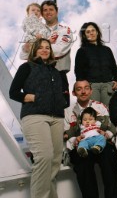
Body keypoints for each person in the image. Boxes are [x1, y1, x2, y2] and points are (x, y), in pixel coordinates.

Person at [9, 38, 68, 198]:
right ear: (34, 50)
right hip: (34, 116)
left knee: (55, 162)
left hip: (57, 117)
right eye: (40, 47)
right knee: (44, 157)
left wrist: (62, 102)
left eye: (47, 48)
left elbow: (65, 94)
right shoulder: (26, 67)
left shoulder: (57, 72)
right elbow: (13, 92)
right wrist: (32, 98)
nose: (44, 50)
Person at [64, 80, 117, 198]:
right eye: (79, 89)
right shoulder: (68, 111)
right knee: (82, 163)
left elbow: (110, 126)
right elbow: (66, 135)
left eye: (86, 88)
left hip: (100, 142)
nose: (83, 91)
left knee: (108, 158)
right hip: (81, 145)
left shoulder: (100, 106)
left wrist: (106, 134)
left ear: (91, 91)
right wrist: (76, 139)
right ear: (74, 93)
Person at [75, 22, 117, 106]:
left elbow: (114, 67)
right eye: (88, 32)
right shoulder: (82, 51)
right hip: (91, 86)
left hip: (107, 86)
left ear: (97, 32)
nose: (91, 33)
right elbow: (78, 72)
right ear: (84, 35)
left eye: (93, 30)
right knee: (94, 114)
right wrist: (83, 88)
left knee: (109, 113)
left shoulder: (107, 50)